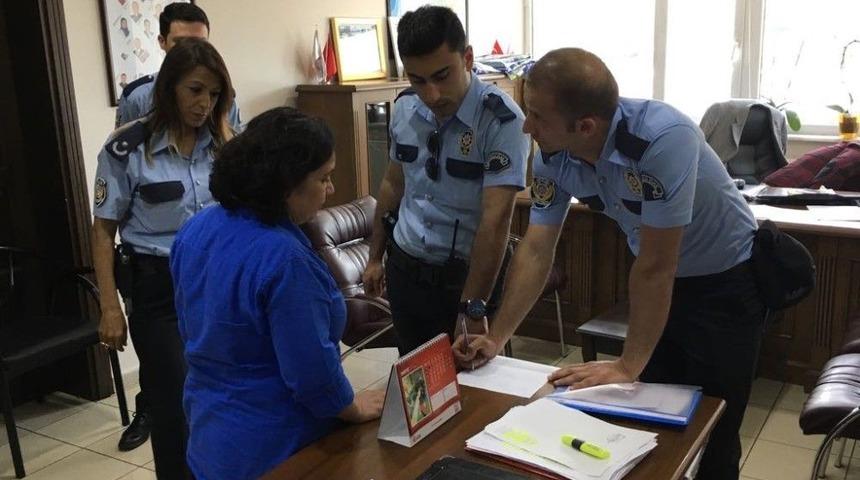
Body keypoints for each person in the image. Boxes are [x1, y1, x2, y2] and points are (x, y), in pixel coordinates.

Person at [455, 48, 765, 480]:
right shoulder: (553, 154)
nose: (527, 126)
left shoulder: (661, 139)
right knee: (650, 423)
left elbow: (657, 265)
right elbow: (537, 247)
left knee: (714, 432)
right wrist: (497, 335)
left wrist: (626, 364)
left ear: (585, 126)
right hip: (661, 286)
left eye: (537, 116)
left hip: (725, 285)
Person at [170, 107, 385, 480]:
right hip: (279, 444)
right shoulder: (285, 260)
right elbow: (311, 374)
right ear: (286, 183)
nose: (331, 190)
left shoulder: (196, 227)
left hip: (211, 433)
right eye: (324, 178)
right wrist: (352, 407)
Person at [91, 37, 235, 479]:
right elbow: (102, 231)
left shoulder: (224, 144)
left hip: (217, 283)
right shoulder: (127, 149)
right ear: (169, 87)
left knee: (223, 396)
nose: (204, 104)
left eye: (214, 94)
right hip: (159, 290)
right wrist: (110, 307)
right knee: (175, 406)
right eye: (195, 90)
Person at [361, 5, 529, 354]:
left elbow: (496, 221)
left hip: (464, 281)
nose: (432, 94)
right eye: (418, 80)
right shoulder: (405, 109)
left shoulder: (501, 120)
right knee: (414, 374)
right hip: (405, 270)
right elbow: (393, 184)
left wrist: (473, 307)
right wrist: (375, 257)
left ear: (467, 58)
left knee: (469, 377)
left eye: (442, 76)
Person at [116, 2, 241, 129]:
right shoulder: (137, 98)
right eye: (181, 42)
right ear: (162, 41)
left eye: (200, 43)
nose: (192, 50)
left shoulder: (223, 96)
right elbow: (125, 139)